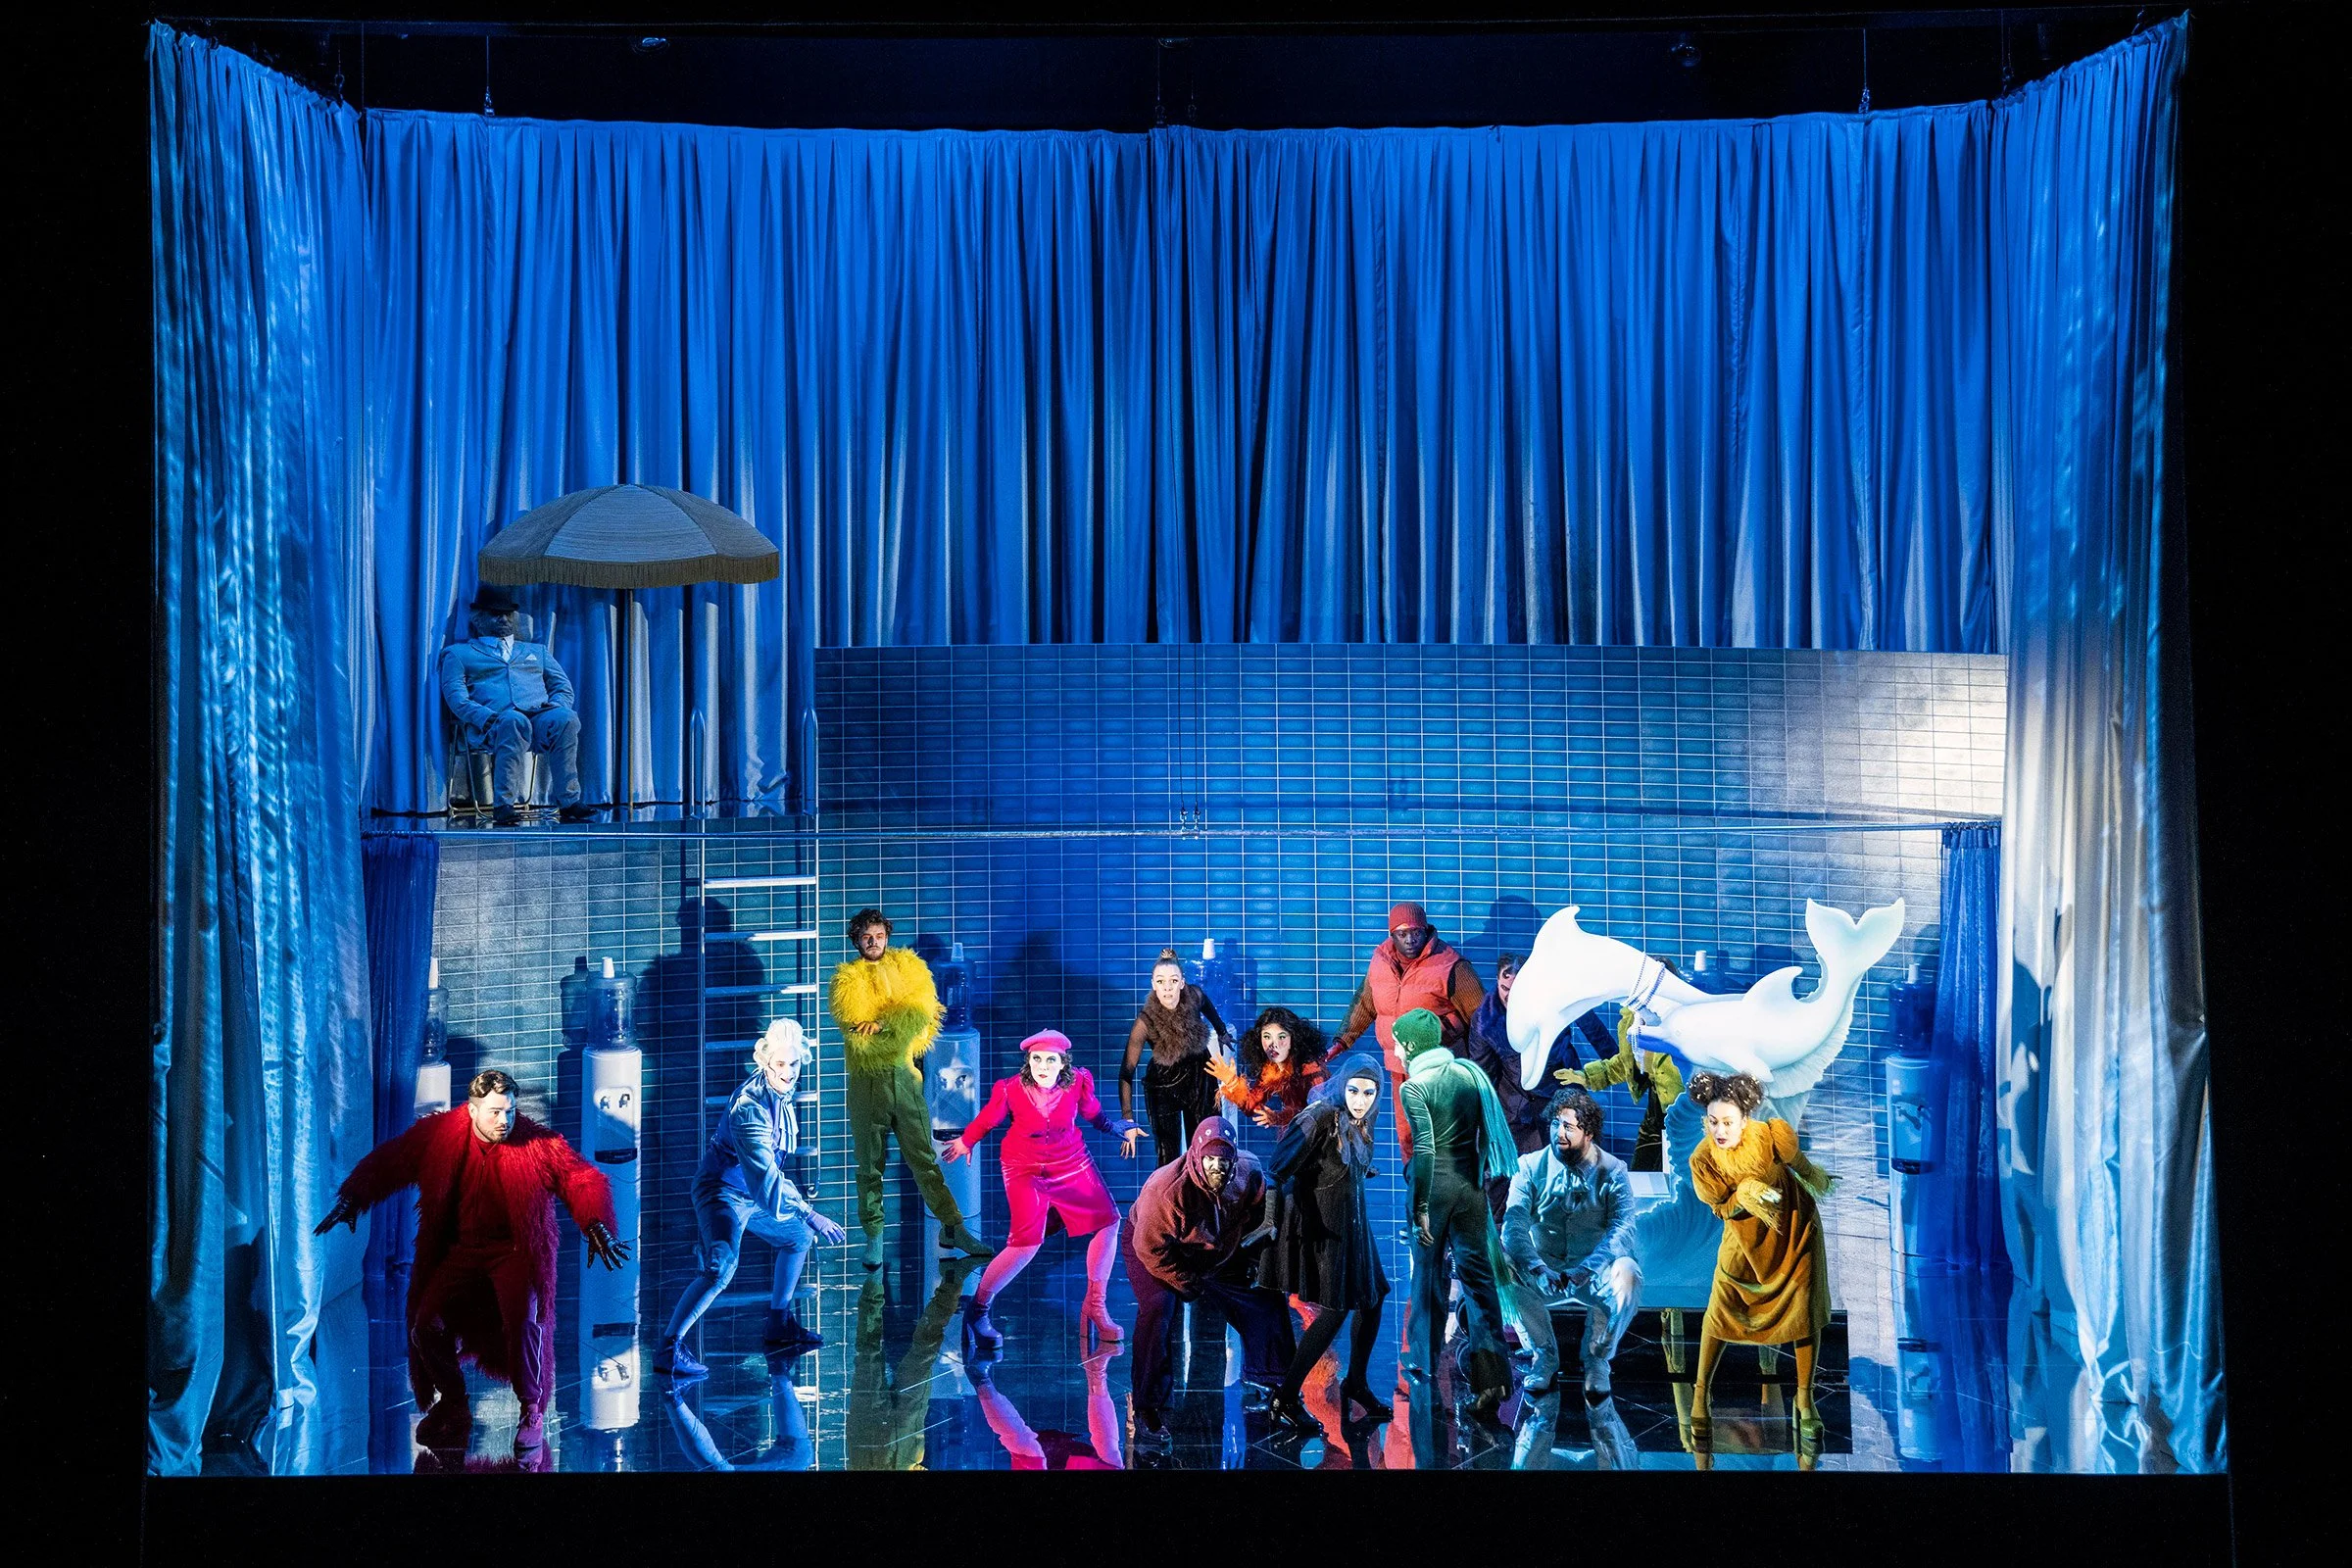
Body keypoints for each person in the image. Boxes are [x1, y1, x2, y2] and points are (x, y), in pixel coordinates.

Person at [315, 1068, 627, 1451]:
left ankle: (531, 1410)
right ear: (472, 1109)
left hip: (514, 1254)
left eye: (510, 1111)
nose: (504, 1120)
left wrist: (596, 1223)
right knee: (426, 1325)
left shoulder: (537, 1144)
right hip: (460, 1253)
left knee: (524, 1322)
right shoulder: (440, 1135)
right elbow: (393, 1159)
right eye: (495, 1112)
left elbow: (580, 1178)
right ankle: (453, 1403)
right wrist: (353, 1197)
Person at [653, 1017, 848, 1378]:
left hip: (753, 1194)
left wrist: (803, 1220)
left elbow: (765, 1182)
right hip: (722, 1191)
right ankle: (669, 1348)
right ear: (765, 1062)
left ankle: (779, 1323)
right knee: (721, 1267)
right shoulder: (749, 1107)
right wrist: (810, 1212)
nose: (788, 1072)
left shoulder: (779, 1093)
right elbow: (766, 1177)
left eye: (794, 1064)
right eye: (780, 1064)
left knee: (797, 1236)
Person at [944, 1028, 1145, 1354]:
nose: (1042, 1066)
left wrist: (1112, 1127)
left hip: (1071, 1162)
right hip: (1024, 1167)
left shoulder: (1078, 1082)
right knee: (1026, 1244)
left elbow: (1092, 1112)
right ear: (1028, 1062)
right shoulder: (1011, 1088)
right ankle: (978, 1311)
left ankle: (1095, 1306)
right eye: (1036, 1059)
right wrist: (967, 1141)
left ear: (1063, 1063)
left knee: (1109, 1221)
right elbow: (988, 1118)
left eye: (1051, 1060)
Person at [829, 908, 994, 1269]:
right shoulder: (847, 980)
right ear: (856, 940)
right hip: (867, 1081)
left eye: (879, 936)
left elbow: (922, 1013)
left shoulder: (909, 968)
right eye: (867, 937)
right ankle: (874, 1237)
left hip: (905, 1078)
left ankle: (953, 1227)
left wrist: (883, 1022)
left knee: (924, 1159)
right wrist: (895, 1023)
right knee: (869, 1165)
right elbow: (857, 1031)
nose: (874, 942)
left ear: (887, 936)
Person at [1684, 1070, 1835, 1458]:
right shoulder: (1704, 1159)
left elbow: (1798, 1163)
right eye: (1713, 1122)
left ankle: (1805, 1399)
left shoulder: (1769, 1135)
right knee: (1720, 1311)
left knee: (1802, 1311)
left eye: (1728, 1122)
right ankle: (1700, 1394)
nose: (1720, 1130)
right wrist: (1744, 1194)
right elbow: (1721, 1208)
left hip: (1793, 1230)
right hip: (1744, 1238)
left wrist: (1814, 1175)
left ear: (1744, 1119)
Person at [1121, 1118, 1298, 1448]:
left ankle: (1278, 1387)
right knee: (1158, 1310)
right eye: (1210, 1159)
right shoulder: (1166, 1190)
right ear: (1196, 1156)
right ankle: (1148, 1409)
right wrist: (1187, 1283)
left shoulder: (1247, 1170)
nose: (1217, 1167)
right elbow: (1150, 1248)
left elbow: (1266, 1195)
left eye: (1224, 1160)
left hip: (1215, 1247)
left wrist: (1256, 1250)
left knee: (1265, 1299)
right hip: (1158, 1251)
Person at [1394, 1006, 1519, 1426]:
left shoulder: (1415, 1087)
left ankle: (1424, 1363)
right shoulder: (1468, 1075)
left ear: (1412, 1045)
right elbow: (1483, 1140)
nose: (1396, 1050)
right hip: (1470, 1189)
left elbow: (1425, 1151)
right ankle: (1494, 1378)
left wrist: (1420, 1208)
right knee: (1479, 1282)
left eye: (1399, 1043)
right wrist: (1475, 1179)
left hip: (1434, 1191)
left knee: (1429, 1278)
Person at [1262, 1051, 1394, 1435]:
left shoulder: (1362, 1120)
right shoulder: (1320, 1116)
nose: (1360, 1100)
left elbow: (1345, 1163)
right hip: (1324, 1225)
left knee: (1373, 1298)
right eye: (1354, 1091)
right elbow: (1277, 1169)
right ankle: (1285, 1397)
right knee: (1335, 1310)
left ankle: (1356, 1383)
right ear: (1342, 1086)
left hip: (1353, 1222)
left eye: (1369, 1093)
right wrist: (1273, 1220)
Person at [1501, 1085, 1642, 1398]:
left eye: (1569, 1126)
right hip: (1545, 1268)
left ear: (1588, 1133)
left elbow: (1623, 1228)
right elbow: (1514, 1226)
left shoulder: (1612, 1170)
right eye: (1555, 1123)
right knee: (1501, 1266)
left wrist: (1589, 1268)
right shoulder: (1529, 1167)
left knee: (1629, 1271)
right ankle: (1543, 1355)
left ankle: (1598, 1358)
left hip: (1593, 1270)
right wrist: (1537, 1267)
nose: (1559, 1133)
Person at [1332, 902, 1487, 1157]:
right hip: (1399, 1068)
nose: (1410, 940)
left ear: (1426, 930)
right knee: (1408, 1137)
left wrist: (1479, 1066)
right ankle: (1415, 1182)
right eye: (1402, 934)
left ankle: (1448, 1182)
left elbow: (1481, 1017)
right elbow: (1365, 1004)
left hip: (1439, 1069)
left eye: (1416, 932)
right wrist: (1342, 1041)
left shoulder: (1450, 965)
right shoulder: (1381, 961)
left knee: (1444, 1136)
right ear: (1392, 935)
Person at [437, 583, 591, 824]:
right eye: (495, 614)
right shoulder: (459, 654)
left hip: (538, 718)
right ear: (478, 618)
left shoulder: (536, 651)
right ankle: (503, 804)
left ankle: (569, 801)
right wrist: (484, 716)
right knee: (513, 720)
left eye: (508, 614)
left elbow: (562, 687)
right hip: (493, 724)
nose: (504, 619)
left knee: (567, 718)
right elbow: (456, 697)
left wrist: (555, 707)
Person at [1120, 948, 1235, 1167]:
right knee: (1167, 1154)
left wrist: (1222, 1032)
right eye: (1160, 982)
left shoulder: (1194, 995)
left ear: (1182, 983)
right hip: (1164, 1083)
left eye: (1173, 981)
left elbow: (1208, 1007)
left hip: (1199, 1074)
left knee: (1205, 1145)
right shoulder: (1144, 1022)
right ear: (1153, 984)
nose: (1167, 988)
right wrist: (1127, 1118)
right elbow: (1126, 1072)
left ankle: (1202, 1188)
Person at [1562, 1007, 1686, 1172]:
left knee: (1685, 1178)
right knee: (1643, 1173)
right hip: (1655, 1114)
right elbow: (1624, 1063)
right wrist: (1586, 1077)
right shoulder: (1632, 1018)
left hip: (1687, 1115)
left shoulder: (1683, 1017)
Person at [970, 1348, 1126, 1470]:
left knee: (1030, 1450)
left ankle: (981, 1381)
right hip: (1071, 1454)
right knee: (1112, 1461)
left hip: (1037, 1456)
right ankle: (1097, 1373)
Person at [1207, 1005, 1328, 1133]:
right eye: (1266, 1037)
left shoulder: (1311, 1069)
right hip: (1298, 1131)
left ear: (1293, 1038)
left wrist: (1279, 1118)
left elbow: (1320, 1111)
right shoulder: (1272, 1068)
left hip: (1321, 1133)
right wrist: (1232, 1082)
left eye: (1281, 1037)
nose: (1273, 1044)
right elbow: (1251, 1106)